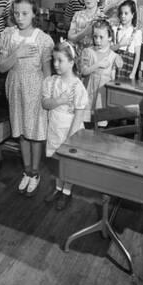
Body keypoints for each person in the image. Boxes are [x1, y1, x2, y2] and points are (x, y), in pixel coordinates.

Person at [0, 0, 53, 196]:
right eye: (17, 13)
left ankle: (35, 172)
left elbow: (47, 71)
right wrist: (17, 53)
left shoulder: (43, 39)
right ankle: (26, 171)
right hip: (15, 87)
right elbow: (2, 67)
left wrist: (47, 95)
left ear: (33, 14)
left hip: (35, 88)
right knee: (21, 130)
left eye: (25, 13)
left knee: (35, 132)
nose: (20, 18)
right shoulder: (8, 35)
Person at [42, 41, 88, 210]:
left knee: (68, 163)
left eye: (60, 60)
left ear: (71, 62)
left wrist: (71, 138)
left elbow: (79, 114)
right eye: (54, 60)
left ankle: (67, 192)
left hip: (70, 130)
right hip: (55, 127)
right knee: (56, 161)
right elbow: (46, 104)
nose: (55, 64)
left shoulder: (78, 87)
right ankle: (58, 188)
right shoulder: (52, 82)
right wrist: (59, 100)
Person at [81, 18, 123, 122]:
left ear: (109, 37)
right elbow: (84, 71)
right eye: (95, 37)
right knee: (87, 122)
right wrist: (98, 64)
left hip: (103, 95)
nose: (98, 40)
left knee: (101, 123)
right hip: (89, 93)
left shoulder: (114, 56)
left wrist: (118, 61)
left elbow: (113, 79)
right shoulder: (88, 52)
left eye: (101, 37)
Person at [67, 0, 104, 67]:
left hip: (96, 61)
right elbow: (70, 37)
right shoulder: (77, 15)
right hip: (78, 59)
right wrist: (85, 32)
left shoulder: (102, 17)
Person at [112, 0, 142, 80]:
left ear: (132, 15)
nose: (123, 16)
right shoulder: (115, 29)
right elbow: (110, 49)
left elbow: (137, 55)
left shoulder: (136, 32)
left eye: (126, 13)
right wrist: (119, 45)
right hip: (114, 66)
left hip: (128, 67)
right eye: (121, 13)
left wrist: (133, 73)